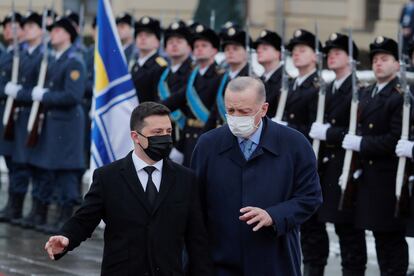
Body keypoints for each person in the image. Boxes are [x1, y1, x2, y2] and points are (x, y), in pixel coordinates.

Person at [44, 102, 213, 276]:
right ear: (135, 136)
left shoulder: (185, 179)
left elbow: (196, 238)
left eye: (168, 132)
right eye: (157, 133)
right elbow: (85, 219)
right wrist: (66, 237)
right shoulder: (108, 177)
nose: (165, 138)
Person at [191, 76, 322, 276]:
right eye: (231, 110)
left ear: (264, 108)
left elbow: (310, 197)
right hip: (220, 260)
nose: (236, 117)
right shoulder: (208, 144)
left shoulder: (294, 144)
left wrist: (274, 215)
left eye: (244, 112)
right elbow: (195, 205)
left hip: (275, 257)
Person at [342, 36, 408, 275]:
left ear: (397, 64)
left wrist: (361, 143)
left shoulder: (400, 96)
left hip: (388, 177)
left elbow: (394, 140)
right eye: (376, 59)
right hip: (370, 177)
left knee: (391, 240)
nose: (378, 63)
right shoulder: (368, 93)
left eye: (385, 59)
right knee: (380, 239)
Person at [306, 32, 367, 276]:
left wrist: (330, 133)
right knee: (315, 226)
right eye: (329, 53)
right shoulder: (325, 90)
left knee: (348, 231)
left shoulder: (359, 90)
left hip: (345, 166)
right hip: (323, 166)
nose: (331, 57)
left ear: (352, 60)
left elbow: (358, 131)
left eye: (337, 53)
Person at [26, 16, 86, 233]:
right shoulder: (54, 60)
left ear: (68, 34)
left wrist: (45, 95)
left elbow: (73, 96)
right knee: (49, 169)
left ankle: (66, 219)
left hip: (67, 125)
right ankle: (45, 214)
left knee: (66, 172)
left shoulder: (74, 61)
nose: (53, 34)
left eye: (58, 31)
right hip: (53, 124)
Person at [162, 23, 223, 166]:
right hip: (189, 139)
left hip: (209, 138)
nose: (199, 49)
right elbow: (174, 100)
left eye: (204, 45)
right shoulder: (193, 76)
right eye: (196, 46)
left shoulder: (220, 76)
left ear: (214, 50)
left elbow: (216, 113)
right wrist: (149, 109)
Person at [0, 11, 25, 223]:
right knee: (9, 160)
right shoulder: (8, 52)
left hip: (17, 115)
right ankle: (11, 205)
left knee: (17, 163)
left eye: (14, 26)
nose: (9, 30)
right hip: (4, 113)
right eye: (6, 26)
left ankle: (16, 206)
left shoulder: (21, 54)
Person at [130, 16, 167, 103]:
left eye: (148, 35)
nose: (143, 38)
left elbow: (158, 99)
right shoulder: (135, 65)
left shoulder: (160, 66)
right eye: (139, 35)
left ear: (157, 42)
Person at [254, 29, 283, 118]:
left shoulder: (285, 82)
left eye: (264, 48)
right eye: (258, 48)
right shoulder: (258, 80)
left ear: (278, 53)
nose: (259, 51)